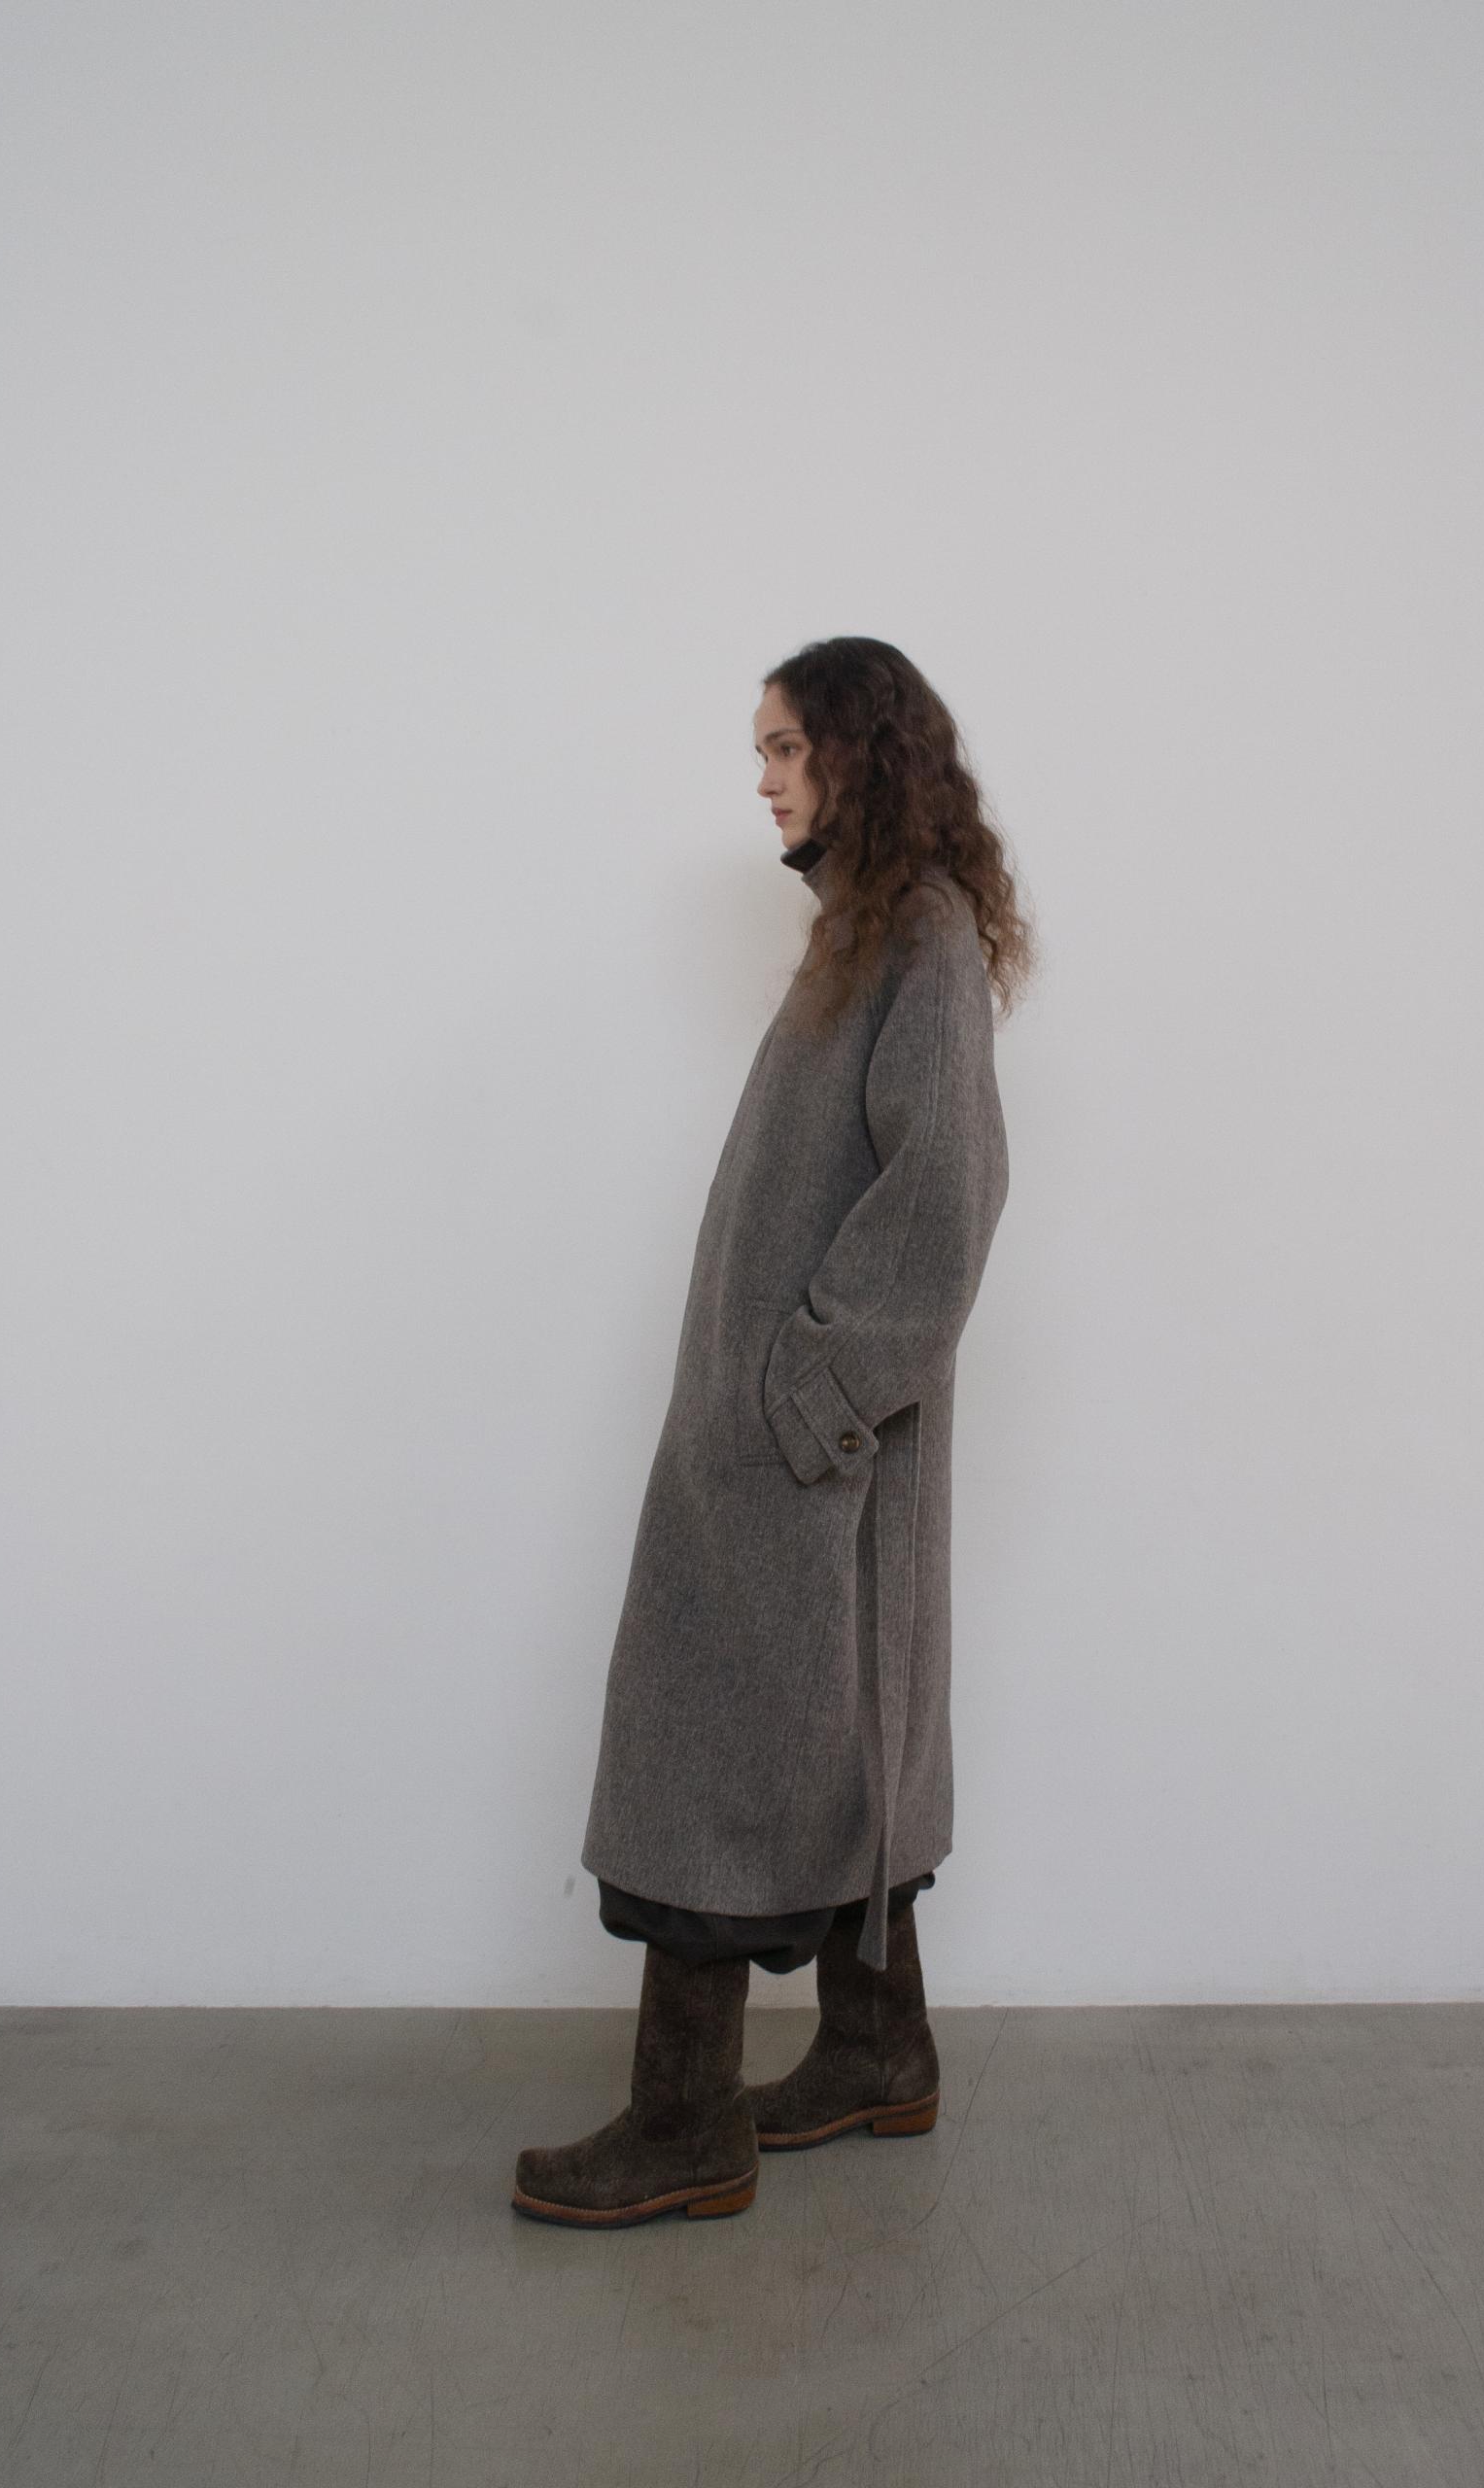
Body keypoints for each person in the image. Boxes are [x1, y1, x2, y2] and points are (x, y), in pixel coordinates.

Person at [512, 637, 1036, 2228]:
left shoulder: (920, 937)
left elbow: (948, 1197)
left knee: (716, 1765)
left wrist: (804, 1397)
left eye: (785, 746)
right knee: (826, 1746)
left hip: (812, 1462)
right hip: (775, 1458)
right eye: (762, 750)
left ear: (860, 754)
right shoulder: (863, 936)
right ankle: (881, 2048)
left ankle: (687, 2124)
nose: (762, 778)